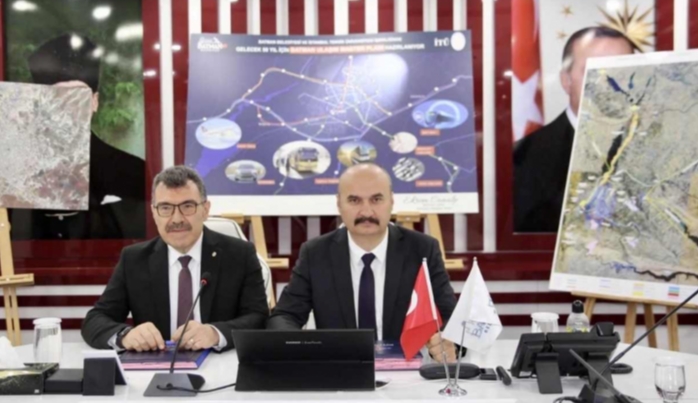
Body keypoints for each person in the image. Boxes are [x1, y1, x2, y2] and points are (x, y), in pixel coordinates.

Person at [267, 163, 458, 362]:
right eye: (354, 200)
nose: (366, 212)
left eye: (376, 199)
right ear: (339, 204)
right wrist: (298, 344)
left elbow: (451, 317)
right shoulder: (316, 253)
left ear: (391, 201)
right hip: (340, 369)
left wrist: (447, 343)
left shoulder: (422, 249)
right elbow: (284, 316)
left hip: (406, 370)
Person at [81, 166, 269, 352]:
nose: (177, 219)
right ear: (154, 213)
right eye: (165, 208)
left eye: (187, 206)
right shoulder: (134, 259)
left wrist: (215, 333)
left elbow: (259, 317)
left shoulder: (239, 254)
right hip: (155, 365)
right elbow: (95, 320)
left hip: (219, 362)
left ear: (205, 210)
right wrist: (125, 336)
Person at [9, 33, 146, 239]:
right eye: (57, 96)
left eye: (78, 96)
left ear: (94, 102)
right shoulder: (16, 172)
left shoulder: (131, 170)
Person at [513, 27, 636, 232]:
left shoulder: (663, 151)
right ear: (566, 81)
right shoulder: (522, 159)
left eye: (621, 71)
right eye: (595, 71)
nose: (610, 83)